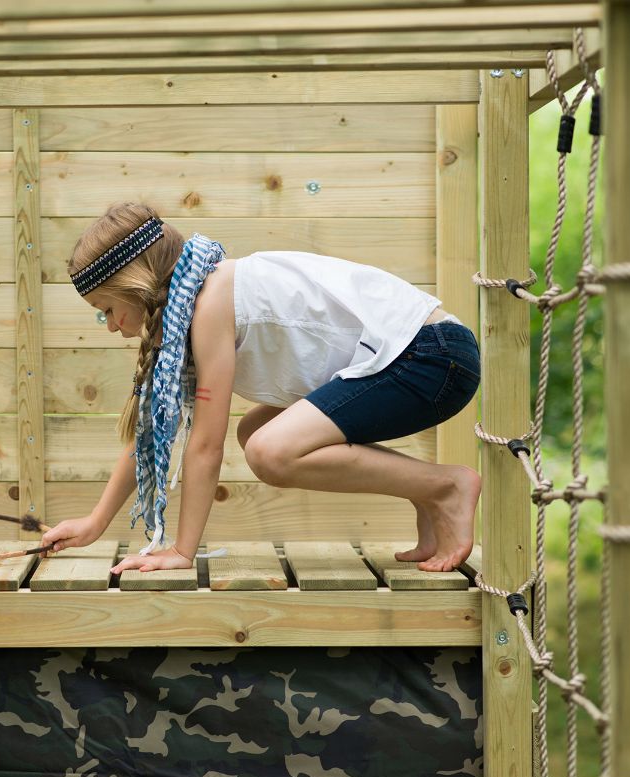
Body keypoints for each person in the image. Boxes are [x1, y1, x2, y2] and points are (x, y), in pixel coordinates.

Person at [40, 202, 481, 574]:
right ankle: (424, 489)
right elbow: (152, 437)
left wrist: (181, 551)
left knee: (270, 450)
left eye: (107, 310)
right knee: (255, 433)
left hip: (432, 358)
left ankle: (445, 486)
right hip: (420, 358)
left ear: (135, 285)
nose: (112, 326)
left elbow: (205, 444)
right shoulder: (195, 299)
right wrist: (95, 522)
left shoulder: (210, 302)